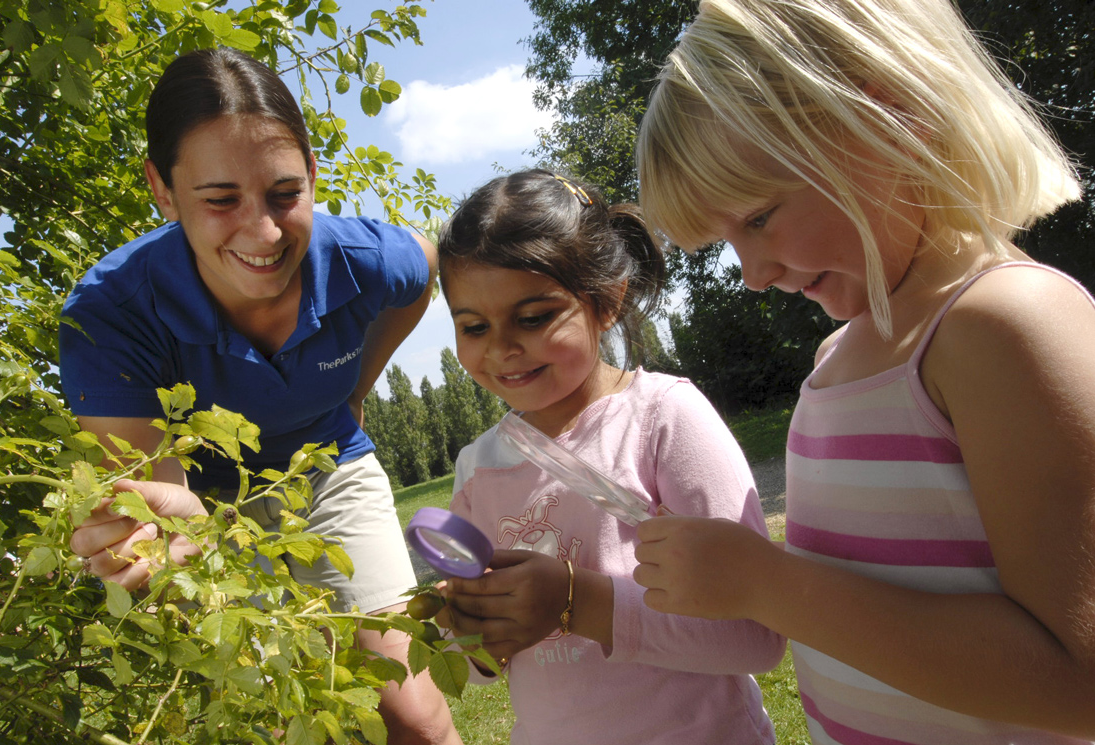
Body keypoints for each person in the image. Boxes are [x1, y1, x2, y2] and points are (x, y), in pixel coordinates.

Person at [632, 0, 1095, 742]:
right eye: (727, 240)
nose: (752, 272)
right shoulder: (835, 360)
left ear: (887, 117)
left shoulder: (1005, 324)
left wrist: (764, 582)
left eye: (757, 217)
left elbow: (1081, 679)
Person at [60, 47, 460, 744]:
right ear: (162, 187)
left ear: (312, 169)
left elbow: (424, 267)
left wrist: (360, 384)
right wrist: (166, 535)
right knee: (290, 718)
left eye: (284, 193)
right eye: (220, 200)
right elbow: (162, 506)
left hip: (329, 464)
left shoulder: (367, 260)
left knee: (413, 712)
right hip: (211, 500)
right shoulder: (110, 312)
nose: (265, 233)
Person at [434, 168, 786, 744]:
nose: (501, 347)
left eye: (534, 317)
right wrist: (470, 628)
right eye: (473, 326)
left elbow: (756, 634)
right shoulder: (478, 470)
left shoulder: (664, 420)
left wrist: (576, 602)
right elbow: (479, 666)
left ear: (607, 301)